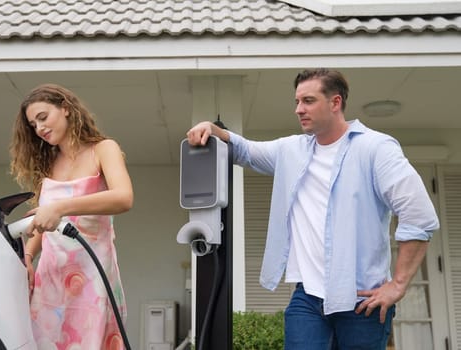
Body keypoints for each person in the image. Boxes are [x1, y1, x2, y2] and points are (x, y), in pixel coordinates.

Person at [186, 68, 439, 349]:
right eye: (297, 101)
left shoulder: (376, 149)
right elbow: (244, 151)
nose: (298, 109)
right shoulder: (292, 151)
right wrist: (213, 129)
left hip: (361, 302)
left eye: (308, 101)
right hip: (307, 298)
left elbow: (420, 217)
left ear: (335, 102)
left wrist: (398, 285)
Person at [9, 83, 133, 350]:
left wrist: (60, 207)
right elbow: (45, 223)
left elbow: (124, 197)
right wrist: (28, 257)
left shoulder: (103, 149)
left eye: (43, 117)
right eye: (33, 125)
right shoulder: (48, 164)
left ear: (66, 108)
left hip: (92, 277)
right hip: (51, 280)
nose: (39, 128)